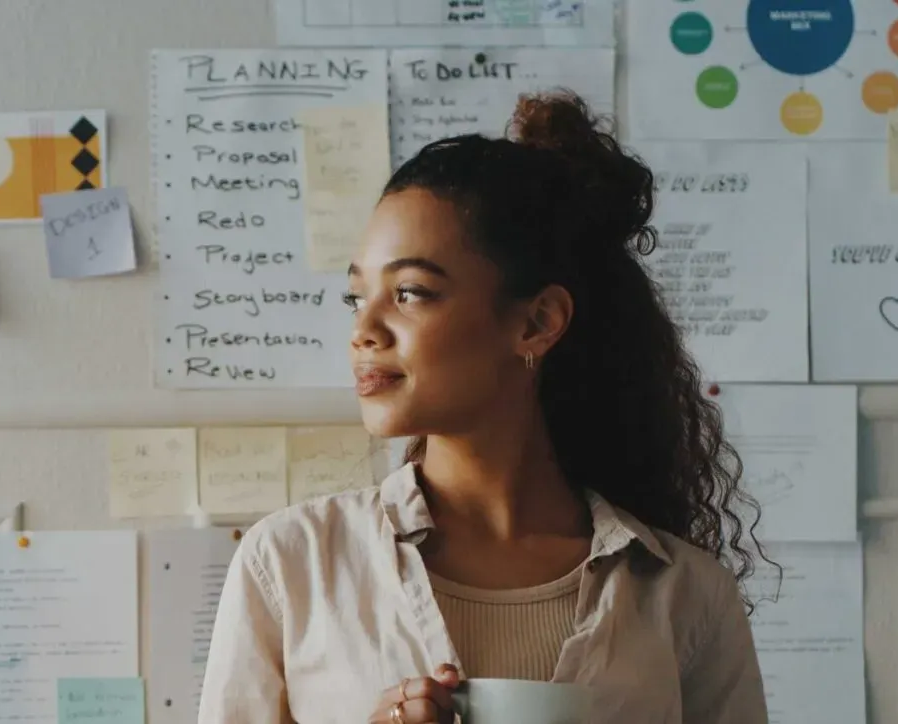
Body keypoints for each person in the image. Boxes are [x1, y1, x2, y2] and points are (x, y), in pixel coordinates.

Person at [195, 91, 772, 724]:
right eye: (357, 296)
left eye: (410, 292)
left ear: (537, 322)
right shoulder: (290, 562)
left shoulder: (688, 594)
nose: (364, 329)